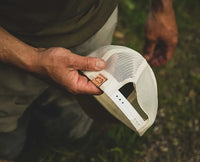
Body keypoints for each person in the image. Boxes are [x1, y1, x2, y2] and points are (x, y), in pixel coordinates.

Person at [0, 0, 178, 161]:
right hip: (13, 41)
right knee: (7, 142)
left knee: (71, 126)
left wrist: (162, 8)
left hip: (95, 22)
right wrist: (32, 59)